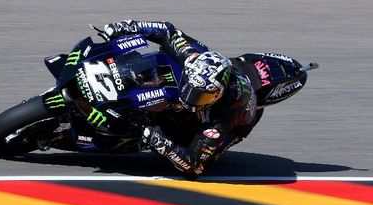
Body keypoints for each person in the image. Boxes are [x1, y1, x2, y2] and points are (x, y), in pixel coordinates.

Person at [103, 20, 260, 177]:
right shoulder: (191, 55)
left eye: (200, 96)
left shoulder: (222, 118)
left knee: (195, 157)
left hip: (234, 122)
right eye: (191, 89)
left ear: (217, 95)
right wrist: (126, 27)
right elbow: (166, 30)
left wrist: (161, 142)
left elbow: (193, 165)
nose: (191, 97)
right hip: (222, 74)